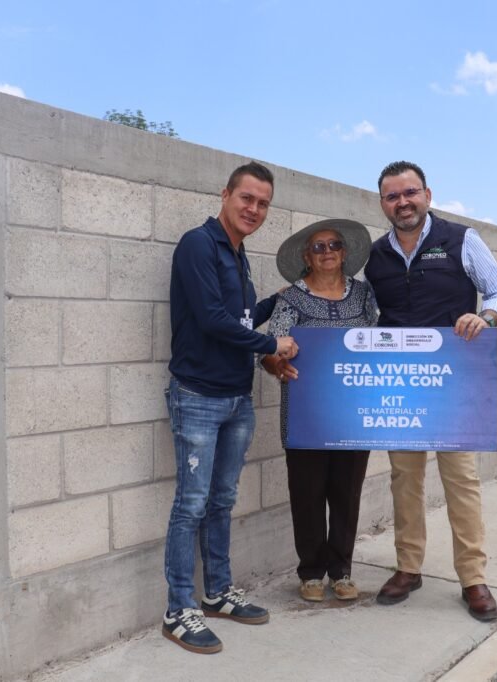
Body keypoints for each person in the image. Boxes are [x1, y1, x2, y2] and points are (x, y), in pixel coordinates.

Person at [363, 160, 497, 622]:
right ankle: (408, 568)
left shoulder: (462, 239)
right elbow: (366, 314)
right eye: (393, 196)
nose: (403, 202)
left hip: (453, 385)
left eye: (410, 193)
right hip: (401, 386)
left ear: (427, 195)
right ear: (383, 203)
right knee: (404, 480)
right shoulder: (375, 255)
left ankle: (473, 578)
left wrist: (485, 317)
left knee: (461, 481)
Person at [163, 161, 298, 655]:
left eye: (263, 203)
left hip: (237, 399)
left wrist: (276, 301)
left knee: (221, 501)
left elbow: (238, 318)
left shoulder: (239, 256)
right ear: (225, 195)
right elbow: (212, 319)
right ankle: (178, 610)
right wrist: (272, 344)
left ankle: (217, 592)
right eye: (247, 198)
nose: (254, 209)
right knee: (191, 505)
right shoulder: (198, 244)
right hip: (198, 396)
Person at [262, 219, 379, 603]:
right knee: (307, 493)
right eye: (318, 247)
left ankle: (341, 571)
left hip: (353, 412)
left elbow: (378, 340)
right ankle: (311, 572)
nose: (327, 252)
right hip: (305, 414)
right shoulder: (291, 299)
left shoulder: (363, 295)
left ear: (344, 253)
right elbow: (269, 349)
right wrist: (277, 364)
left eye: (333, 245)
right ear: (306, 257)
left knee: (347, 492)